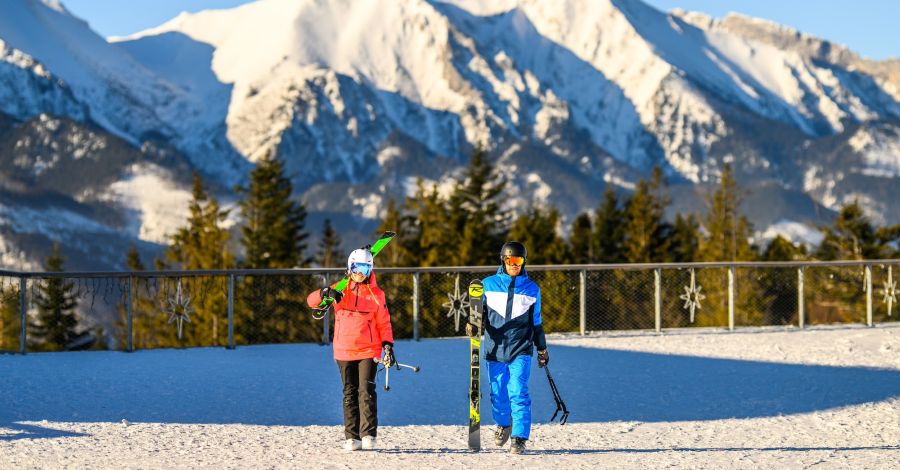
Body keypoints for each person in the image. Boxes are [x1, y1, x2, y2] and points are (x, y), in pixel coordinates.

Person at [307, 247, 395, 451]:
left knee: (367, 391)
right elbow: (312, 302)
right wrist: (324, 293)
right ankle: (352, 437)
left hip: (369, 350)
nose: (359, 272)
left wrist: (387, 345)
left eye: (364, 268)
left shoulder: (377, 294)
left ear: (370, 269)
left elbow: (384, 323)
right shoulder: (340, 288)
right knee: (349, 392)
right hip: (344, 350)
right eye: (356, 267)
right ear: (349, 267)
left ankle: (368, 434)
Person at [467, 241, 549, 454]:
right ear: (503, 260)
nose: (514, 265)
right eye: (510, 260)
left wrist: (542, 349)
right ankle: (503, 424)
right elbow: (478, 314)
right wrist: (471, 323)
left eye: (518, 260)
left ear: (524, 262)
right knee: (498, 394)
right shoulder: (488, 284)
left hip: (521, 349)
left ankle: (519, 437)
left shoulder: (532, 289)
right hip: (494, 350)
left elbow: (536, 323)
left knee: (518, 391)